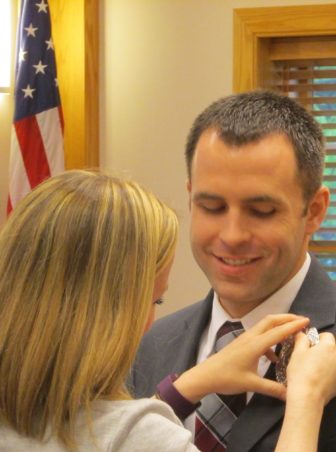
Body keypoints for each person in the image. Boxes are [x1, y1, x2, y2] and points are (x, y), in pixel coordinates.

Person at [0, 169, 324, 451]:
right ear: (103, 311)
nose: (233, 235)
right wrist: (307, 398)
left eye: (262, 209)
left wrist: (188, 386)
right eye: (153, 301)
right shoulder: (139, 433)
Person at [131, 90, 336, 451]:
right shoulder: (150, 344)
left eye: (261, 211)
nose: (232, 236)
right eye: (212, 206)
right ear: (190, 196)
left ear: (315, 211)